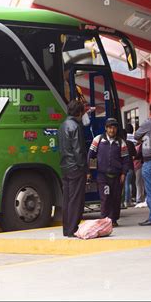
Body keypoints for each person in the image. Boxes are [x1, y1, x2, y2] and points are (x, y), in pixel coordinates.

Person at [87, 118, 132, 227]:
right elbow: (91, 156)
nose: (112, 130)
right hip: (103, 176)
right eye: (110, 127)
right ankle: (104, 220)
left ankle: (113, 220)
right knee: (105, 198)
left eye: (114, 128)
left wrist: (123, 173)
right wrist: (90, 171)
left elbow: (126, 160)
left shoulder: (121, 142)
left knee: (116, 198)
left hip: (117, 177)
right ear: (106, 128)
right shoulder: (98, 140)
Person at [57, 100, 88, 237]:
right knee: (76, 200)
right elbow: (79, 150)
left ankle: (66, 229)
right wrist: (84, 169)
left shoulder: (62, 126)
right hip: (76, 168)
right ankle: (73, 229)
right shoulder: (76, 126)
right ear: (80, 112)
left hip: (65, 167)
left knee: (67, 199)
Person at [122, 129, 137, 208]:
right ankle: (127, 201)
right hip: (130, 166)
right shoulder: (130, 143)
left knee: (124, 185)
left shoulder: (119, 143)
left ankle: (123, 201)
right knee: (128, 184)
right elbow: (135, 155)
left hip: (121, 167)